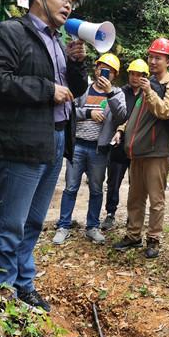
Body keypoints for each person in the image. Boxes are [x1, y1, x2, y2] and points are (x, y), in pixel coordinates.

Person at [0, 0, 87, 312]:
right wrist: (45, 89)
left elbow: (74, 90)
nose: (68, 5)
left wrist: (76, 65)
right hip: (21, 144)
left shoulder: (57, 42)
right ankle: (1, 292)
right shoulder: (12, 32)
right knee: (11, 222)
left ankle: (24, 284)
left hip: (54, 142)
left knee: (35, 221)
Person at [112, 38, 169, 259]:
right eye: (150, 56)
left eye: (157, 58)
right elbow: (136, 113)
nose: (152, 61)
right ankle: (133, 235)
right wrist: (122, 129)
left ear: (168, 61)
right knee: (135, 195)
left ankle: (154, 238)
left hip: (156, 151)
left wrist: (150, 91)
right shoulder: (148, 81)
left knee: (155, 198)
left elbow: (166, 111)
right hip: (138, 149)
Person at [52, 53, 127, 245]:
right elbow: (69, 110)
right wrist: (88, 113)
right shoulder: (82, 88)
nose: (104, 73)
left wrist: (109, 93)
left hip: (99, 149)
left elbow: (121, 117)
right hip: (78, 144)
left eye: (109, 71)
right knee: (70, 187)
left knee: (96, 189)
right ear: (95, 69)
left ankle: (92, 227)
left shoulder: (117, 93)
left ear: (115, 75)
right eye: (101, 68)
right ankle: (63, 226)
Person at [102, 58, 149, 231]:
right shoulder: (121, 92)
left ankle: (133, 216)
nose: (135, 78)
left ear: (145, 76)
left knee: (135, 184)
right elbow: (116, 113)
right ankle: (110, 213)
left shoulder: (147, 94)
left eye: (138, 75)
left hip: (137, 146)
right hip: (118, 145)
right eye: (132, 74)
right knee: (113, 181)